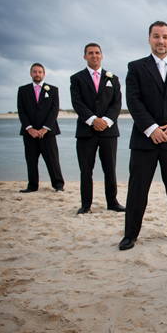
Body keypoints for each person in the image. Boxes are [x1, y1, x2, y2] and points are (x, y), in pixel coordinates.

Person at [119, 21, 167, 251]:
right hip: (145, 140)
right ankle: (130, 235)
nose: (160, 41)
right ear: (149, 39)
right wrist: (151, 129)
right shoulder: (135, 68)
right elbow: (133, 101)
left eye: (165, 37)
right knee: (137, 190)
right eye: (156, 36)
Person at [70, 43, 125, 215]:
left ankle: (112, 202)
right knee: (86, 169)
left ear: (102, 56)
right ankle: (86, 204)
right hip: (86, 131)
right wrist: (93, 120)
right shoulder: (77, 78)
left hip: (108, 131)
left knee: (110, 168)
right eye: (90, 53)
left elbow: (117, 103)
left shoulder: (113, 79)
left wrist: (106, 121)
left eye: (97, 53)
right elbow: (77, 103)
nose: (94, 56)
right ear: (85, 56)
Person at [17, 63, 65, 193]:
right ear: (31, 74)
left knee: (52, 159)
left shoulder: (53, 90)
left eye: (39, 72)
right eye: (34, 72)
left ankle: (58, 185)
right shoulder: (23, 90)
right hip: (29, 133)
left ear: (43, 74)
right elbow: (21, 111)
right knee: (31, 160)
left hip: (48, 133)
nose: (37, 74)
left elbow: (54, 110)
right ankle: (32, 185)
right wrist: (30, 128)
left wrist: (45, 128)